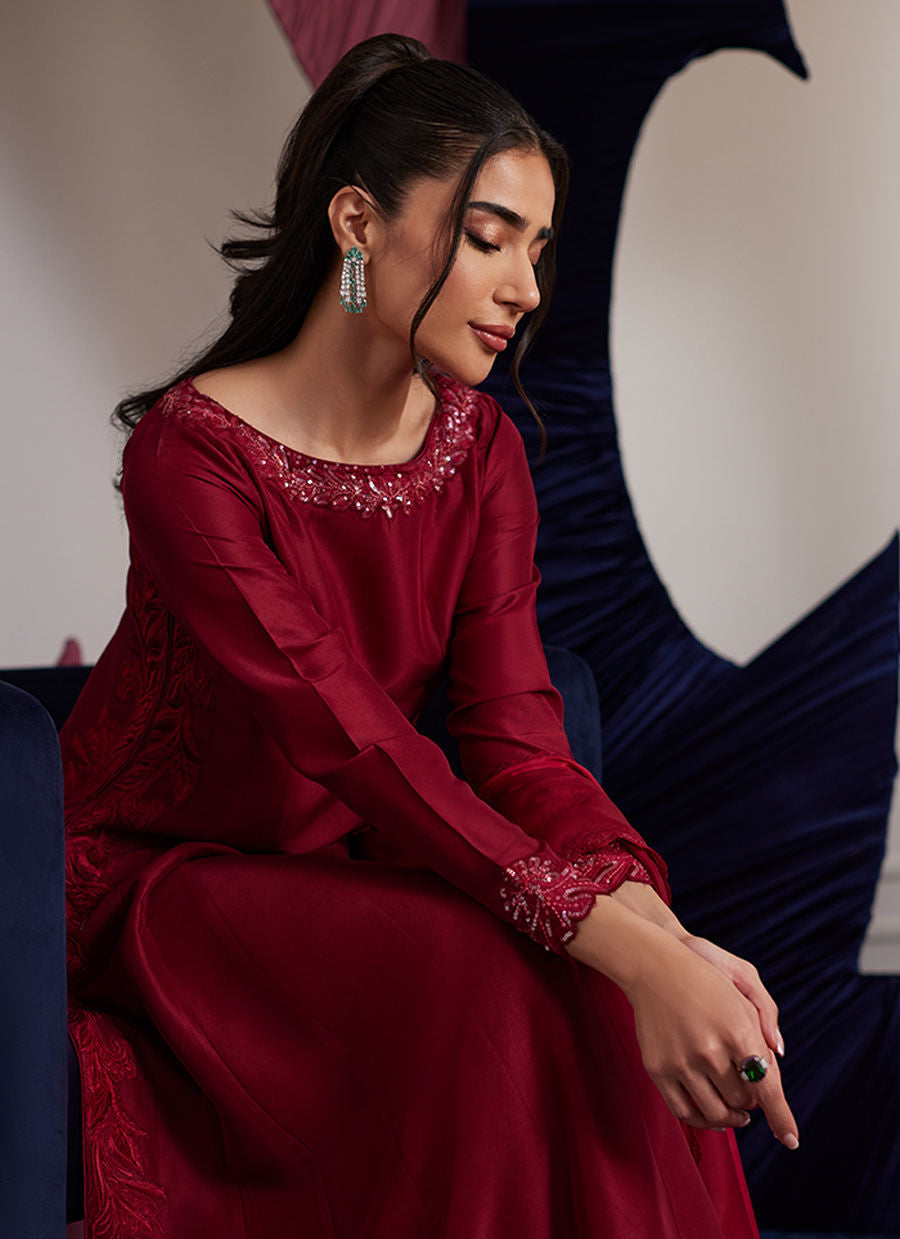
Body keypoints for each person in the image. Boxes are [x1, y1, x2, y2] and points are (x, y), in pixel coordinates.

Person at [62, 32, 797, 1239]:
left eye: (538, 250)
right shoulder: (188, 456)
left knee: (598, 979)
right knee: (501, 968)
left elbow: (518, 744)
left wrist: (655, 933)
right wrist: (616, 941)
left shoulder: (481, 451)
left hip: (345, 872)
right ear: (358, 222)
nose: (527, 290)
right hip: (160, 884)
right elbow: (353, 737)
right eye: (491, 238)